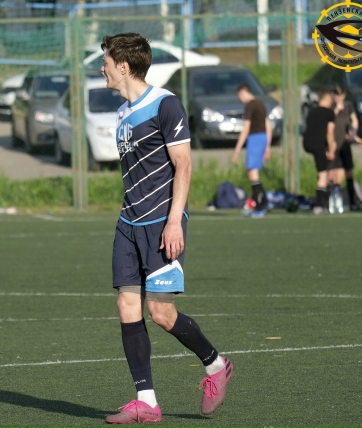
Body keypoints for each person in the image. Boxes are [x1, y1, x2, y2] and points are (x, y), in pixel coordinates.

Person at [100, 33, 233, 424]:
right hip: (129, 222)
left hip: (162, 221)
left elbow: (184, 165)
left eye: (106, 62)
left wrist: (175, 221)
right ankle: (146, 401)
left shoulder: (165, 104)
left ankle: (216, 365)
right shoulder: (122, 114)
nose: (102, 69)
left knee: (160, 312)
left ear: (123, 66)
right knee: (126, 305)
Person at [231, 83, 272, 218]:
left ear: (243, 93)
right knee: (252, 171)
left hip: (254, 138)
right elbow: (268, 125)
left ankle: (260, 203)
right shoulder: (261, 104)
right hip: (263, 137)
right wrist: (268, 145)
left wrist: (237, 150)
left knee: (252, 171)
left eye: (240, 96)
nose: (241, 99)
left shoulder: (250, 106)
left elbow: (246, 128)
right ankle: (263, 200)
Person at [330, 85, 362, 211]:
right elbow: (328, 121)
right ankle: (334, 200)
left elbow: (354, 120)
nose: (340, 99)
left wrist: (353, 132)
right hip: (334, 144)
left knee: (349, 171)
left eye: (342, 96)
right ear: (333, 96)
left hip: (345, 144)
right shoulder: (331, 106)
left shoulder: (348, 105)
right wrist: (336, 110)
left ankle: (352, 202)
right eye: (337, 96)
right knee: (334, 173)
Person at [302, 89, 336, 215]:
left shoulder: (312, 111)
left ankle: (322, 201)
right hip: (318, 144)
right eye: (331, 98)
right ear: (326, 98)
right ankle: (319, 205)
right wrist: (331, 149)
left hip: (307, 142)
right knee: (323, 174)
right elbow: (330, 133)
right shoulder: (329, 113)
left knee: (321, 169)